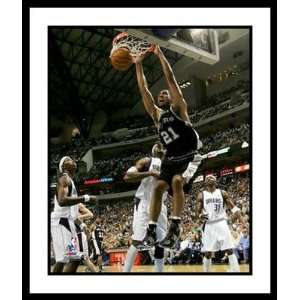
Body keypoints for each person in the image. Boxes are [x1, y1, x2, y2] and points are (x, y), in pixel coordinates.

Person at [133, 45, 202, 248]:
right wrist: (138, 64)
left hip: (190, 154)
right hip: (171, 157)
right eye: (159, 95)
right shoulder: (157, 116)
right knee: (160, 187)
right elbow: (143, 89)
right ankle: (152, 230)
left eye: (164, 94)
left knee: (178, 181)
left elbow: (170, 78)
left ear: (172, 98)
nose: (160, 96)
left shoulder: (179, 108)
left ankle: (175, 229)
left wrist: (159, 53)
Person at [122, 143, 168, 272]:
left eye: (163, 146)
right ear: (153, 150)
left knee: (161, 241)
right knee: (137, 240)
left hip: (160, 204)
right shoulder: (147, 161)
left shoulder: (170, 164)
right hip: (144, 203)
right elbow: (127, 176)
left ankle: (160, 272)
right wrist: (149, 173)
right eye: (158, 145)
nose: (161, 147)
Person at [50, 156, 96, 273]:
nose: (71, 160)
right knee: (63, 259)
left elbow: (74, 214)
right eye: (67, 160)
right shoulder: (63, 178)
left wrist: (82, 226)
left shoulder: (71, 182)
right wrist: (86, 198)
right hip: (61, 221)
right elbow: (62, 201)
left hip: (68, 222)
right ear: (63, 167)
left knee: (74, 259)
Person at [195, 175, 245, 272]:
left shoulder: (222, 193)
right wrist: (200, 215)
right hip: (209, 225)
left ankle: (236, 271)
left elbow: (234, 208)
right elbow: (197, 212)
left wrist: (243, 221)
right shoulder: (202, 195)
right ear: (205, 183)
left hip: (221, 223)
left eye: (212, 177)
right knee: (208, 252)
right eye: (208, 178)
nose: (210, 178)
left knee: (229, 249)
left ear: (216, 182)